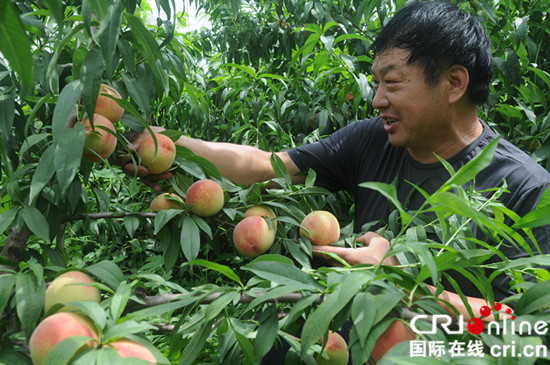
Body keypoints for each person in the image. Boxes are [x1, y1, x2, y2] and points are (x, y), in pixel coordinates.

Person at [119, 0, 549, 329]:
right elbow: (265, 166)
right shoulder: (372, 140)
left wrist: (403, 285)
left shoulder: (526, 189)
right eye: (376, 83)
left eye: (393, 83)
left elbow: (527, 326)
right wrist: (165, 144)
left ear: (454, 83)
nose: (377, 99)